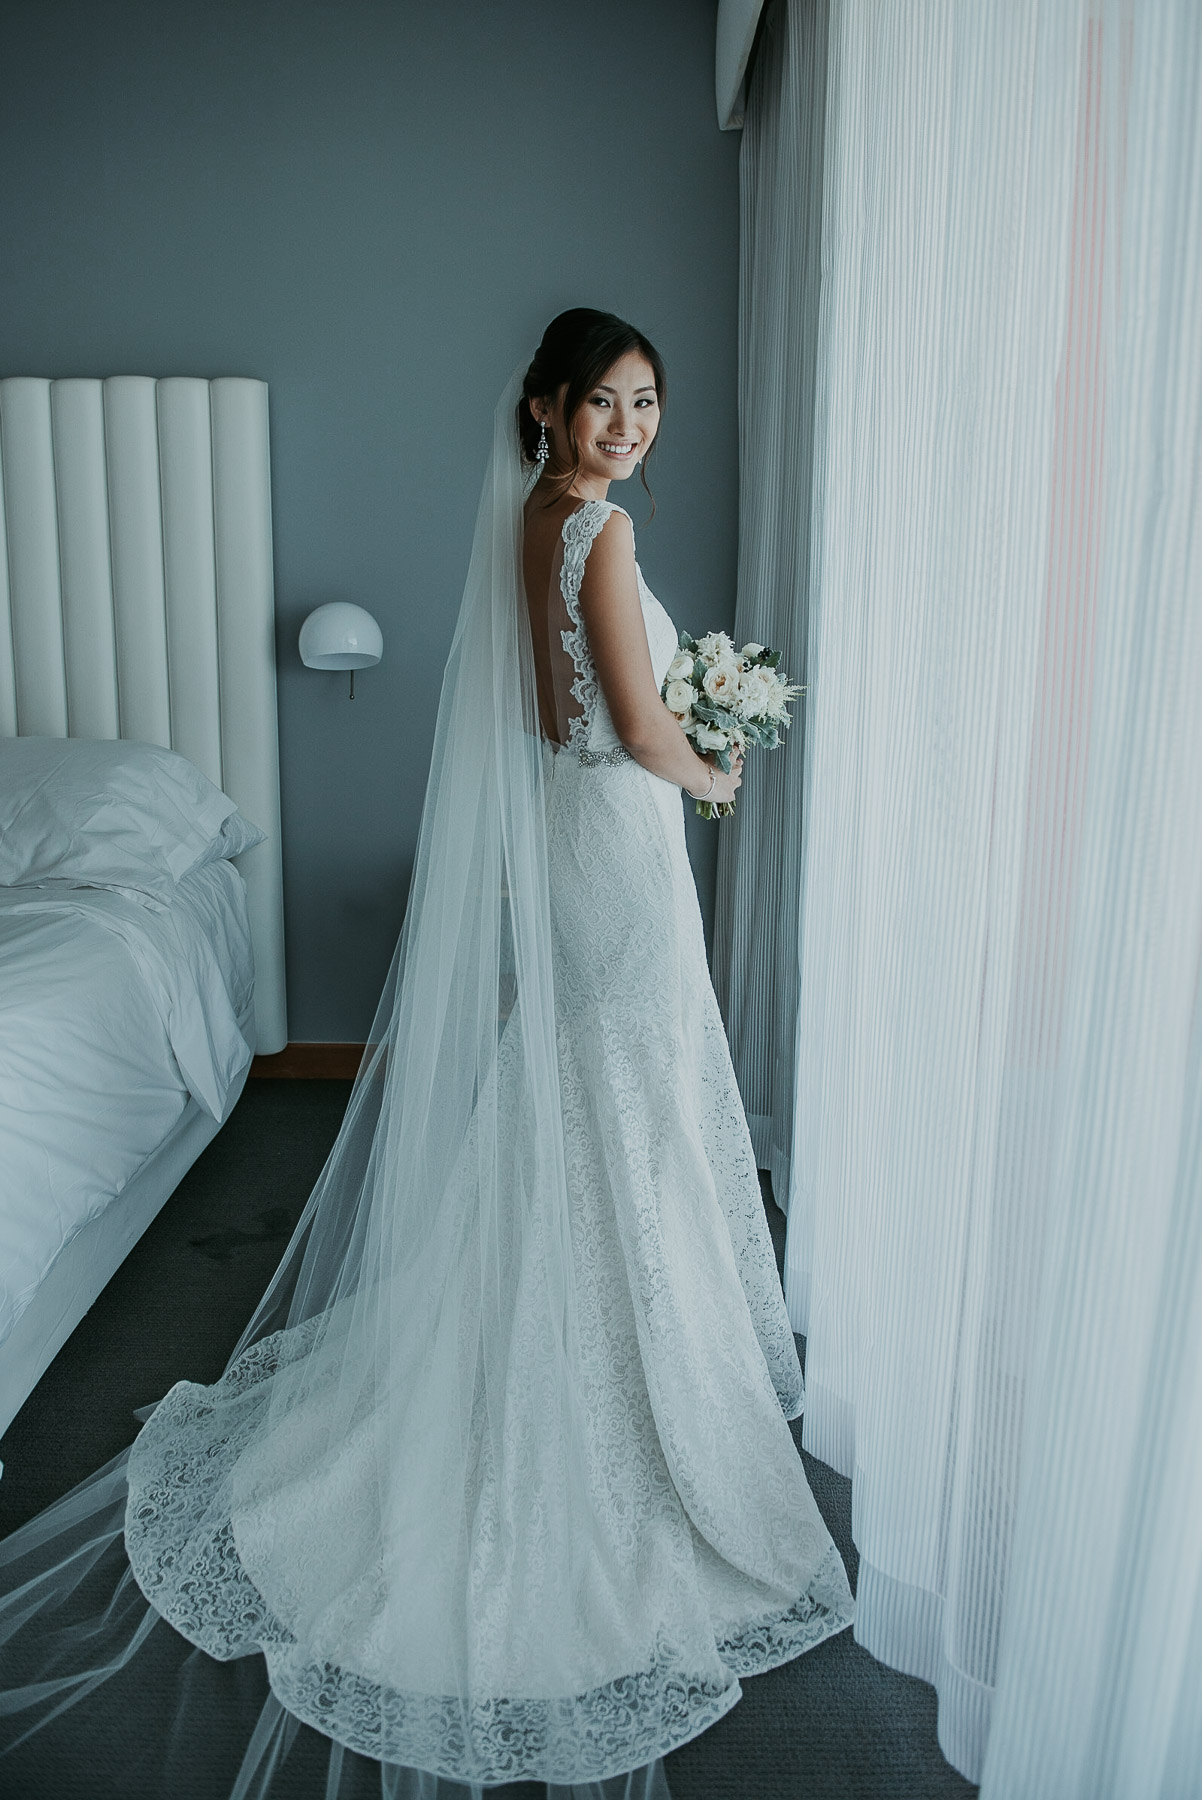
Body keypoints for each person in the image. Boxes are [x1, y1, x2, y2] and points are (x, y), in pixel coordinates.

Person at [0, 309, 854, 1800]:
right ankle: (632, 1384)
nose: (628, 426)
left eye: (646, 403)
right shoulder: (598, 533)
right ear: (543, 408)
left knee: (599, 1101)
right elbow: (635, 732)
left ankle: (594, 1336)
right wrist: (716, 755)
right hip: (624, 854)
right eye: (602, 403)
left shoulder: (538, 520)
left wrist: (668, 733)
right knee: (629, 1098)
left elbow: (548, 712)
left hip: (588, 851)